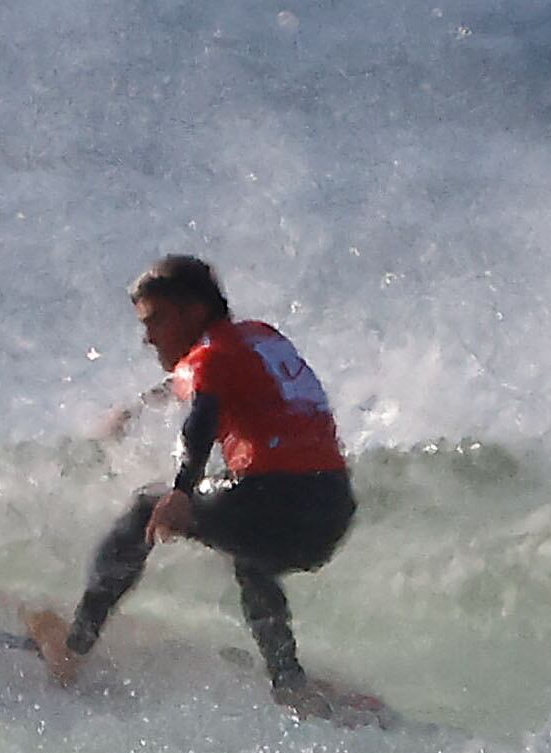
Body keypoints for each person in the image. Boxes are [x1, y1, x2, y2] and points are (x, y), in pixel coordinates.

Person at [26, 255, 380, 721]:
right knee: (250, 556)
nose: (148, 336)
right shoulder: (259, 338)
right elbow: (207, 380)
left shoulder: (210, 355)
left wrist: (180, 491)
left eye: (155, 321)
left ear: (192, 312)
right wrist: (136, 407)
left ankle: (73, 647)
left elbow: (202, 418)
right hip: (331, 506)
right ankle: (289, 681)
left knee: (145, 509)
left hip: (277, 498)